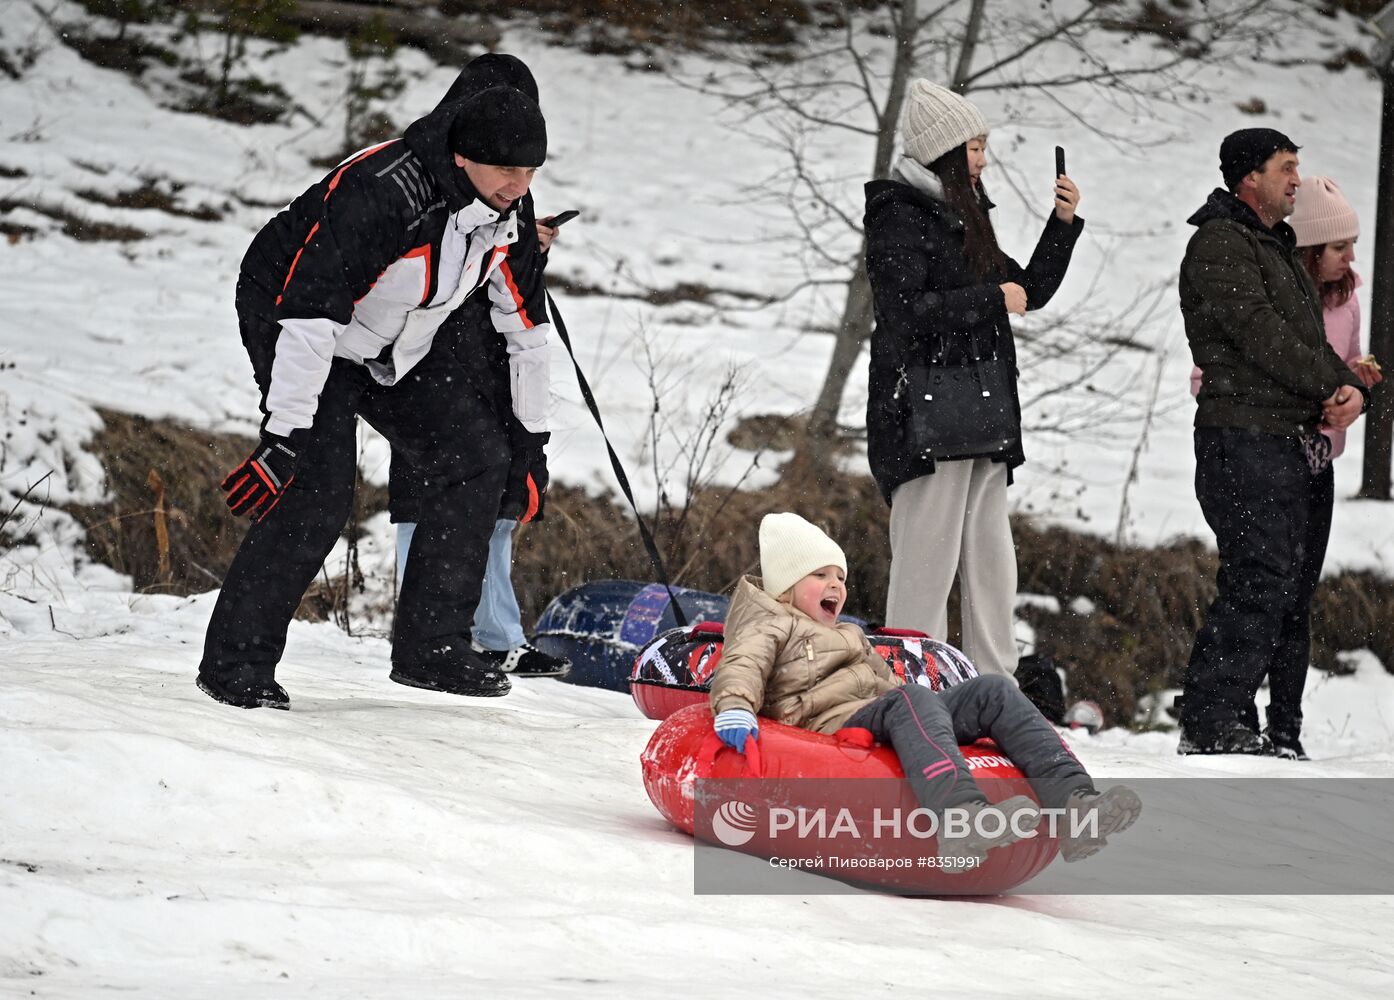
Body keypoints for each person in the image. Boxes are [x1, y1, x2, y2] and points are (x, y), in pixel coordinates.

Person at [197, 84, 551, 710]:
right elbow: (309, 314)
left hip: (393, 334)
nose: (520, 185)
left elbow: (526, 329)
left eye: (531, 171)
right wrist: (284, 437)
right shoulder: (384, 191)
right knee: (316, 492)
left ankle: (432, 649)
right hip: (299, 316)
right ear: (463, 157)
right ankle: (235, 665)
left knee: (477, 458)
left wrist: (530, 444)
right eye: (508, 169)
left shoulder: (509, 208)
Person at [709, 512, 1140, 863]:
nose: (836, 586)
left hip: (883, 710)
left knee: (991, 689)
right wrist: (735, 706)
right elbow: (741, 664)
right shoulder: (769, 624)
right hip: (832, 723)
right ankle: (960, 818)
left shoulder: (849, 634)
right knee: (911, 698)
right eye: (819, 575)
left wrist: (940, 715)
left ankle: (1076, 805)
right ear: (785, 587)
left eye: (839, 577)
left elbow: (888, 683)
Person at [863, 80, 1083, 679]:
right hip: (920, 417)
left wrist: (1061, 225)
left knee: (992, 561)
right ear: (944, 151)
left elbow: (1027, 291)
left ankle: (995, 687)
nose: (984, 159)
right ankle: (910, 685)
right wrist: (989, 300)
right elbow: (906, 311)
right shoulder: (897, 215)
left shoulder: (966, 214)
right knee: (924, 564)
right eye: (975, 147)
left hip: (981, 412)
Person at [1177, 130, 1370, 756]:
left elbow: (1308, 342)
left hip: (1280, 440)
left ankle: (1230, 720)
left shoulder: (1275, 246)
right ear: (1249, 178)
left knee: (1275, 585)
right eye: (1286, 168)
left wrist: (1350, 391)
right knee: (1257, 579)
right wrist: (1333, 383)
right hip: (1241, 437)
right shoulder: (1219, 243)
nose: (1297, 180)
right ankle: (1211, 721)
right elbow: (1261, 334)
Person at [387, 54, 569, 678]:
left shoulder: (508, 183)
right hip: (422, 349)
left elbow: (517, 295)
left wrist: (528, 247)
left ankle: (495, 631)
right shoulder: (420, 172)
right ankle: (436, 631)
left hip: (487, 349)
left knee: (495, 478)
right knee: (431, 485)